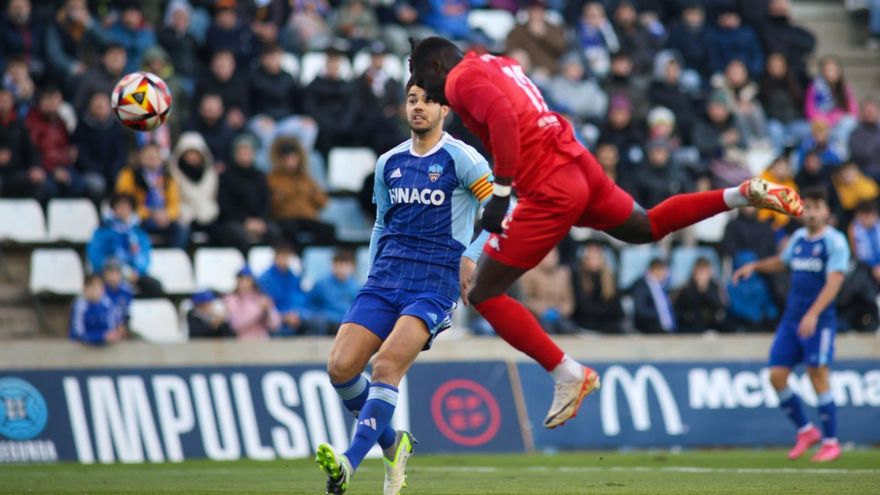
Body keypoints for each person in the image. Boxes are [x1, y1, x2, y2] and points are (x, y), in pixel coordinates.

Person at [405, 36, 802, 432]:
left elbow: (505, 121)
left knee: (484, 293)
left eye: (422, 80)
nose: (425, 93)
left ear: (438, 67)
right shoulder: (496, 62)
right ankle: (739, 194)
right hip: (577, 161)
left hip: (549, 185)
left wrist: (502, 194)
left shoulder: (459, 79)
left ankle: (567, 374)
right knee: (646, 226)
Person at [314, 81, 494, 495]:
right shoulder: (388, 163)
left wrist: (473, 254)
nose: (419, 107)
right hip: (386, 278)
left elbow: (507, 207)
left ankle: (348, 462)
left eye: (428, 101)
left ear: (444, 109)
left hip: (434, 281)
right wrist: (373, 274)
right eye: (413, 100)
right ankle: (394, 445)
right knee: (340, 367)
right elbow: (381, 223)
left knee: (386, 366)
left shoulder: (462, 159)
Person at [732, 188, 848, 462]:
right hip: (792, 318)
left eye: (817, 207)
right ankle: (806, 431)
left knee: (817, 374)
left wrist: (814, 314)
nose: (811, 213)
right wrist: (755, 267)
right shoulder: (797, 238)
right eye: (807, 208)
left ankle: (831, 441)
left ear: (827, 212)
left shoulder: (835, 242)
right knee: (776, 376)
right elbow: (782, 263)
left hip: (818, 320)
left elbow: (835, 281)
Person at [87, 193, 164, 298]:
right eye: (120, 207)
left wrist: (136, 272)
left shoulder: (138, 232)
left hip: (133, 274)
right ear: (113, 209)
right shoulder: (103, 231)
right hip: (108, 273)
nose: (123, 211)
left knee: (154, 286)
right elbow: (95, 255)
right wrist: (113, 269)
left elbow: (145, 256)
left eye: (127, 207)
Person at [115, 143, 188, 249]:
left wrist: (167, 214)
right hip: (140, 216)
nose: (152, 159)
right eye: (148, 156)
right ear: (140, 157)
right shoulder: (129, 175)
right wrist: (149, 213)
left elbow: (175, 204)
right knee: (130, 226)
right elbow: (124, 202)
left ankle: (173, 257)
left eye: (155, 156)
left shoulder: (168, 178)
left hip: (163, 218)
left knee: (181, 228)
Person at [267, 137, 335, 245]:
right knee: (289, 229)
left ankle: (317, 257)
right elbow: (270, 205)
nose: (291, 163)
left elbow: (323, 202)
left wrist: (313, 194)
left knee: (328, 229)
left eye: (293, 158)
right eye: (287, 159)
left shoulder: (306, 179)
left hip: (306, 218)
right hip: (285, 218)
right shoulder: (272, 180)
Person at [75, 92, 126, 204]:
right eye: (96, 106)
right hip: (90, 171)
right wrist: (99, 170)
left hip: (111, 170)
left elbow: (120, 154)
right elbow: (82, 156)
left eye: (102, 106)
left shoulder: (115, 127)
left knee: (123, 180)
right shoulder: (82, 127)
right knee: (97, 184)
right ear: (90, 107)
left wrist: (113, 170)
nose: (100, 109)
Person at [168, 132, 220, 234]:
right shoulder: (173, 174)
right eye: (189, 153)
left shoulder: (211, 175)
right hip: (184, 217)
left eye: (196, 153)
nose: (193, 157)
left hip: (209, 217)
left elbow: (213, 197)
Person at [257, 243, 313, 336]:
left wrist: (297, 314)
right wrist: (283, 316)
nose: (284, 259)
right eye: (281, 256)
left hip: (295, 317)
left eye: (287, 256)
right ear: (275, 257)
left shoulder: (294, 277)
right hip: (275, 319)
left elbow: (301, 299)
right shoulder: (265, 279)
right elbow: (266, 304)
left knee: (315, 323)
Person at [519, 248, 577, 334]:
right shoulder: (530, 273)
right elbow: (526, 299)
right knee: (546, 329)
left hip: (560, 316)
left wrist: (560, 312)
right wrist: (543, 311)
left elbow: (569, 300)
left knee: (568, 329)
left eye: (553, 256)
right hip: (538, 316)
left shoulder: (563, 274)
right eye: (548, 256)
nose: (551, 259)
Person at [572, 242, 623, 332]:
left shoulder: (610, 278)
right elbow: (581, 306)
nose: (594, 261)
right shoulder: (578, 278)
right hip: (585, 323)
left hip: (608, 324)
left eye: (597, 257)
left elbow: (615, 306)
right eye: (590, 258)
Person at [309, 250, 361, 335]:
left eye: (344, 266)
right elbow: (310, 306)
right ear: (333, 266)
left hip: (348, 326)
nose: (341, 269)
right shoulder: (321, 285)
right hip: (326, 325)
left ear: (352, 267)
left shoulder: (357, 287)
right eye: (338, 265)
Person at [224, 267, 282, 340]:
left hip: (263, 341)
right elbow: (236, 324)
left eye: (248, 279)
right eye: (242, 279)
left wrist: (268, 311)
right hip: (243, 343)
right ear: (237, 281)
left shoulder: (261, 297)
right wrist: (259, 309)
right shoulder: (232, 299)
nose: (245, 283)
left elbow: (275, 325)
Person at [69, 274, 125, 346]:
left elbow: (112, 332)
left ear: (102, 289)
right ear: (85, 289)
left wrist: (114, 334)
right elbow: (78, 334)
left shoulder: (108, 305)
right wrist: (101, 336)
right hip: (81, 349)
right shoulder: (80, 306)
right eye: (90, 287)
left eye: (96, 287)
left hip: (106, 349)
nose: (93, 290)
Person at [673, 257, 725, 333]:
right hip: (690, 327)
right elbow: (682, 309)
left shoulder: (715, 287)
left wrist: (704, 290)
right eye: (700, 271)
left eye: (704, 271)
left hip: (712, 326)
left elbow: (719, 306)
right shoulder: (686, 289)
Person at [630, 258, 676, 333]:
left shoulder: (663, 286)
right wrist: (659, 313)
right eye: (662, 270)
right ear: (654, 270)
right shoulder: (641, 286)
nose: (665, 273)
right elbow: (641, 310)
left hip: (666, 330)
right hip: (649, 329)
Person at [101, 259, 133, 328]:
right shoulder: (100, 290)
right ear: (105, 274)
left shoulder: (127, 290)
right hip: (105, 326)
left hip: (123, 325)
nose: (113, 276)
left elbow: (127, 310)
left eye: (116, 272)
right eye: (110, 273)